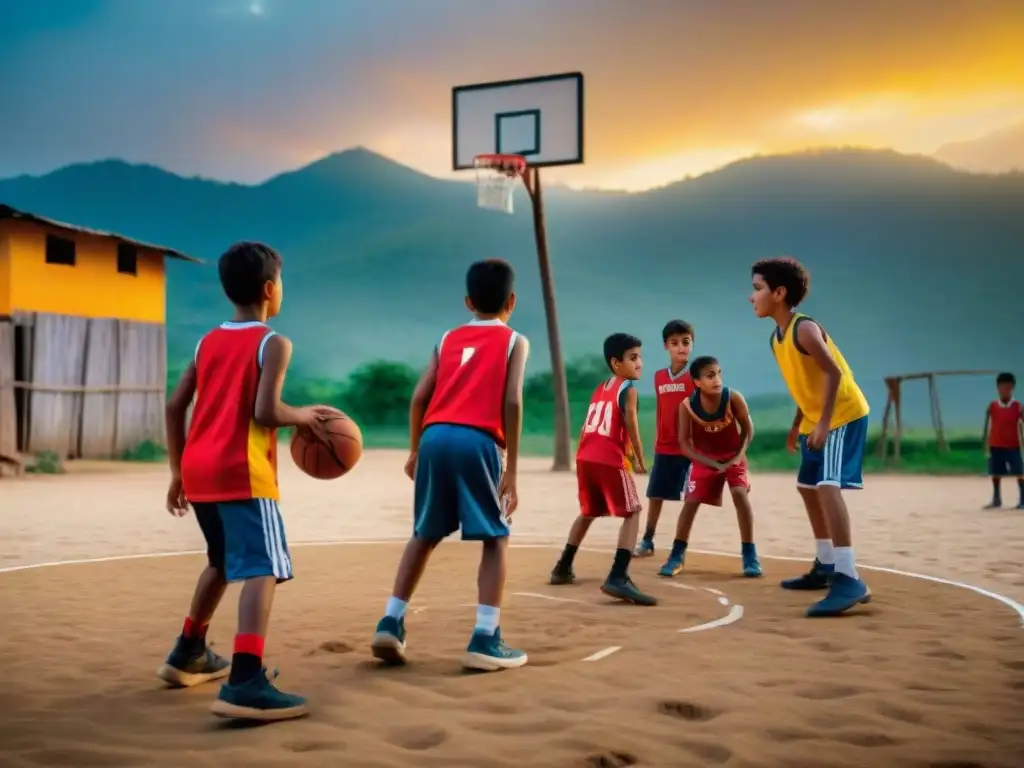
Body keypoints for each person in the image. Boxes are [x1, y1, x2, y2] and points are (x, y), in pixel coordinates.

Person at [161, 241, 334, 721]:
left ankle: (188, 651)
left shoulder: (205, 342)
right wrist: (301, 416)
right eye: (282, 282)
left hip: (199, 469)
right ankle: (246, 678)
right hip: (243, 473)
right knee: (262, 568)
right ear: (269, 289)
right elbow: (265, 411)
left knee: (220, 560)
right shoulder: (272, 341)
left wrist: (177, 470)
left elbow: (176, 407)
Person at [371, 259, 530, 672]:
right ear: (511, 301)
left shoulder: (447, 339)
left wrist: (413, 449)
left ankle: (390, 620)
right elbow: (512, 401)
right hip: (478, 440)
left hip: (434, 437)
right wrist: (510, 468)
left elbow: (419, 397)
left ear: (467, 302)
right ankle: (485, 637)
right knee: (496, 537)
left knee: (423, 533)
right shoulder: (514, 341)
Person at [749, 256, 872, 617]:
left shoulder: (804, 329)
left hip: (843, 415)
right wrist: (798, 424)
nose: (751, 296)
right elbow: (807, 385)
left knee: (827, 487)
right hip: (815, 420)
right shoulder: (777, 338)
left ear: (779, 292)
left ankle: (849, 578)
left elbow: (832, 373)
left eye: (757, 289)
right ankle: (826, 564)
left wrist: (823, 423)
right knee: (807, 486)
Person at [548, 333, 657, 606]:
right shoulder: (629, 389)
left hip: (586, 457)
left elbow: (600, 424)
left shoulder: (601, 388)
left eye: (640, 357)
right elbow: (630, 423)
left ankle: (562, 567)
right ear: (615, 362)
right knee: (632, 511)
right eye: (633, 358)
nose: (639, 363)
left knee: (588, 512)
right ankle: (618, 576)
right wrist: (641, 460)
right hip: (609, 459)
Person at [658, 356, 761, 578]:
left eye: (718, 373)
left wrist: (736, 459)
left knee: (740, 496)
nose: (717, 379)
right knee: (691, 503)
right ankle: (676, 555)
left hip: (734, 456)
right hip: (705, 460)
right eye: (710, 376)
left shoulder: (733, 398)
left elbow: (748, 431)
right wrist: (712, 464)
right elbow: (685, 446)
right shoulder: (687, 407)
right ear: (696, 382)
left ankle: (750, 555)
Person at [634, 320, 695, 558]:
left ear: (692, 344)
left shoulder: (696, 377)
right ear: (665, 346)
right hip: (665, 446)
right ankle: (648, 539)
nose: (681, 347)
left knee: (692, 497)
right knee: (655, 494)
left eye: (686, 342)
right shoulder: (660, 377)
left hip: (689, 448)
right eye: (675, 343)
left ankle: (680, 547)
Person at [983, 372, 1023, 509]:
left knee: (1019, 472)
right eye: (1003, 387)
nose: (1005, 390)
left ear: (1012, 388)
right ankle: (996, 498)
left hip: (1013, 445)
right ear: (998, 388)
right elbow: (988, 426)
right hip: (996, 444)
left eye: (1008, 387)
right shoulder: (992, 406)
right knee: (996, 472)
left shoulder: (1018, 407)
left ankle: (1023, 500)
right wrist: (986, 444)